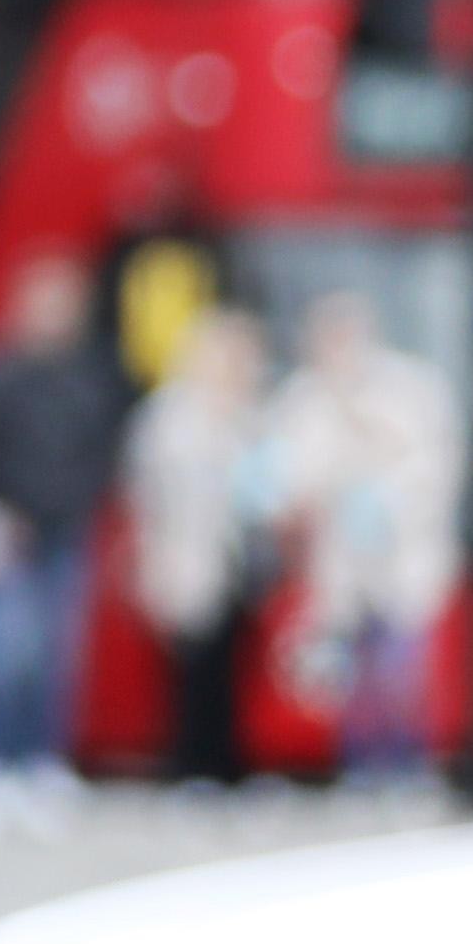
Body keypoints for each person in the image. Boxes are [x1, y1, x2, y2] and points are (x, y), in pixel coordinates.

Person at [268, 292, 462, 782]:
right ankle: (358, 766)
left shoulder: (410, 387)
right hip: (340, 562)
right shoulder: (305, 397)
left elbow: (436, 467)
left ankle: (405, 764)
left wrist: (386, 498)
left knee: (399, 669)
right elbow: (290, 478)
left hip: (402, 555)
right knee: (346, 672)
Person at [0, 252, 123, 804]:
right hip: (8, 531)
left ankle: (44, 761)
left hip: (65, 530)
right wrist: (5, 509)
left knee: (58, 656)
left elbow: (103, 454)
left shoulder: (93, 375)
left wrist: (75, 505)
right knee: (0, 657)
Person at [122, 305, 272, 785]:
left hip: (242, 559)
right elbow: (149, 495)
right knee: (192, 667)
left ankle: (226, 764)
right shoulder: (172, 415)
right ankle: (190, 765)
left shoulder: (251, 413)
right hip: (189, 556)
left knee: (232, 663)